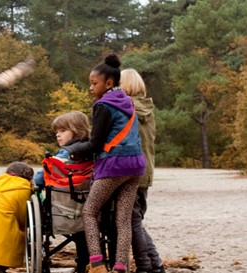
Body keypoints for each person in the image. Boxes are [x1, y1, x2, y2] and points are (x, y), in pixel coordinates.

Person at [68, 53, 146, 273]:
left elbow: (95, 144)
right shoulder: (128, 102)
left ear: (108, 83)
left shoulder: (103, 105)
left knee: (90, 212)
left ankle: (97, 264)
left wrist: (71, 150)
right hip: (136, 165)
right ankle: (120, 266)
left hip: (114, 166)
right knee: (123, 220)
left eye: (94, 83)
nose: (91, 88)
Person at [32, 111, 92, 273]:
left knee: (37, 196)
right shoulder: (94, 152)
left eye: (62, 131)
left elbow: (43, 176)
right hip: (88, 211)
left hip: (62, 211)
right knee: (83, 233)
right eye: (56, 132)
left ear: (77, 130)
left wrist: (31, 184)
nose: (58, 135)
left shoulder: (65, 153)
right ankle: (83, 264)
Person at [121, 68, 165, 273]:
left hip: (130, 170)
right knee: (135, 219)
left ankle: (147, 266)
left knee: (132, 220)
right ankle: (155, 264)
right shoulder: (147, 108)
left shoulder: (126, 110)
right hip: (146, 171)